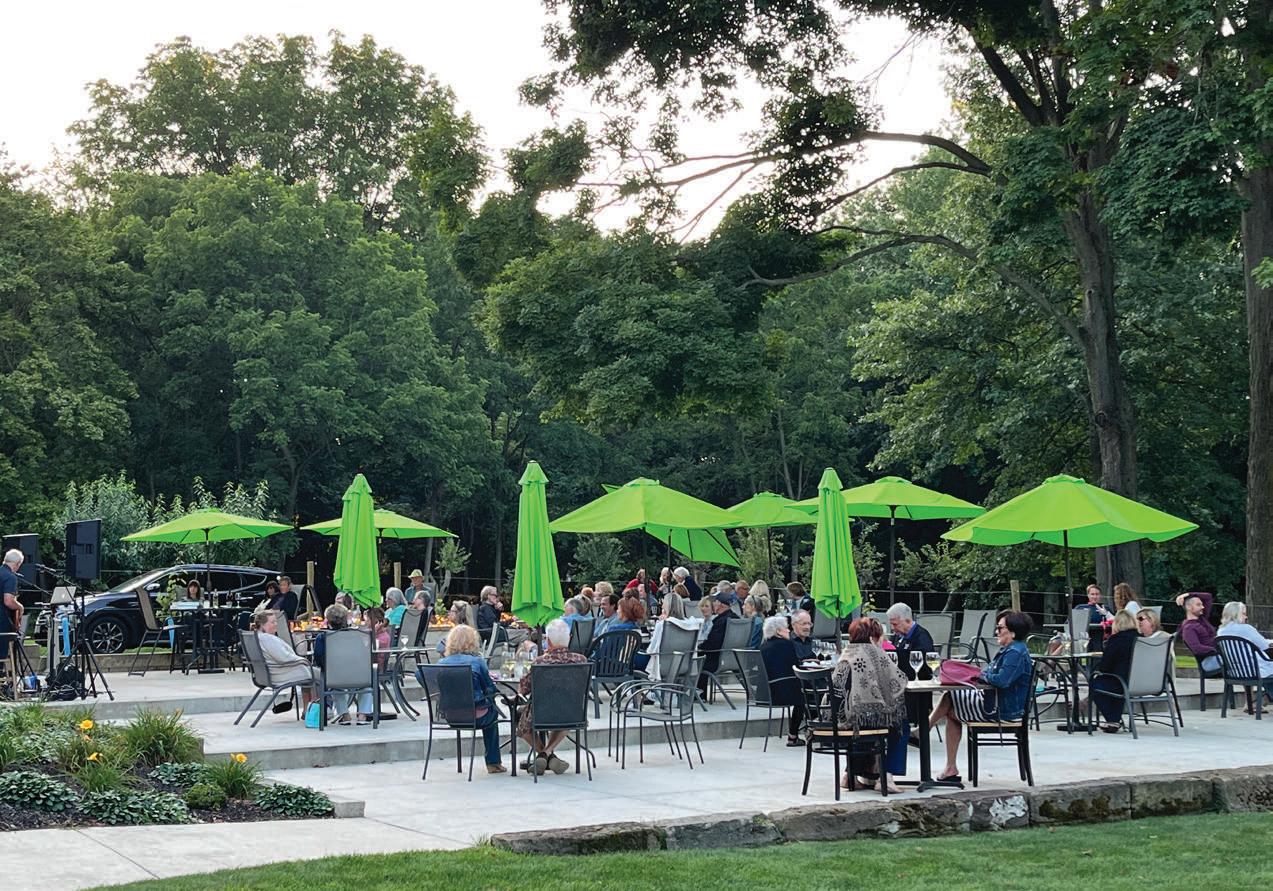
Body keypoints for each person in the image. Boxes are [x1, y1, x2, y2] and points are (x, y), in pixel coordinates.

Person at [927, 611, 1033, 782]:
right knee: (951, 701)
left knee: (950, 700)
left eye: (1000, 628)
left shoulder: (1015, 653)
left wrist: (981, 675)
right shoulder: (1011, 650)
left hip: (1002, 710)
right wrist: (982, 674)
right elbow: (992, 673)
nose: (996, 632)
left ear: (1013, 632)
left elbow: (1002, 680)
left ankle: (926, 732)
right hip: (997, 703)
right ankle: (949, 765)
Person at [831, 618, 909, 793]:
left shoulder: (847, 652)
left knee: (863, 718)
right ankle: (886, 777)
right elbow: (898, 680)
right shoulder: (874, 652)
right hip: (859, 719)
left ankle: (849, 775)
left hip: (839, 716)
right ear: (874, 636)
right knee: (899, 723)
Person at [517, 618, 588, 775]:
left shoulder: (540, 662)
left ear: (548, 641)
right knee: (566, 710)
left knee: (522, 720)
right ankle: (549, 754)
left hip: (541, 714)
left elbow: (524, 689)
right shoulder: (581, 660)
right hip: (573, 713)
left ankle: (543, 754)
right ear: (569, 638)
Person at [437, 624, 507, 774]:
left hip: (450, 716)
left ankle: (492, 763)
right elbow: (490, 689)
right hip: (476, 716)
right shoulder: (477, 662)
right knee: (492, 713)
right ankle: (493, 762)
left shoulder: (441, 663)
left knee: (488, 709)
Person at [251, 610, 317, 707]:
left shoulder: (256, 637)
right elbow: (284, 658)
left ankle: (307, 709)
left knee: (309, 673)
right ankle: (315, 709)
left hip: (267, 675)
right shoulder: (268, 639)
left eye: (276, 621)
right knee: (317, 675)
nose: (276, 624)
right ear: (262, 625)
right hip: (278, 675)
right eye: (272, 622)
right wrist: (302, 660)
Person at [1088, 610, 1140, 732]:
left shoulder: (1116, 640)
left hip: (1121, 682)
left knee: (1095, 684)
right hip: (1140, 682)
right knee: (1113, 686)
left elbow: (1105, 667)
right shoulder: (1142, 639)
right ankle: (1113, 721)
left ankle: (1113, 720)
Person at [759, 615, 806, 746]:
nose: (789, 630)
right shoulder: (787, 645)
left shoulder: (762, 647)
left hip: (764, 693)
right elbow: (795, 666)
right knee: (804, 696)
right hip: (780, 692)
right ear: (778, 631)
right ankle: (793, 736)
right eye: (786, 628)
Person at [636, 586, 702, 677]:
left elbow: (651, 650)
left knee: (633, 658)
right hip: (684, 667)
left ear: (665, 607)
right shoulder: (691, 624)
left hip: (661, 668)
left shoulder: (663, 624)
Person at [1216, 601, 1273, 703]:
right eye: (1243, 613)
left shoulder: (1221, 631)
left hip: (1235, 671)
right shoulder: (1246, 628)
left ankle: (1252, 703)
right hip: (1255, 670)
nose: (1246, 617)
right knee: (1269, 669)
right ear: (1235, 614)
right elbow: (1264, 645)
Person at [887, 603, 937, 681]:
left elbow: (921, 665)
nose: (892, 628)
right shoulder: (897, 636)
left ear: (907, 620)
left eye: (895, 624)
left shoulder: (922, 637)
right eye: (891, 624)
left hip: (919, 683)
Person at [697, 592, 734, 694]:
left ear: (720, 604)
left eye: (715, 602)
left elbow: (712, 644)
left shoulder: (720, 621)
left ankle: (697, 693)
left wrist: (699, 647)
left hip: (716, 660)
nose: (713, 604)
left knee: (693, 658)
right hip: (734, 658)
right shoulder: (735, 618)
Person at [1176, 592, 1220, 672]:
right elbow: (1197, 649)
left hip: (1217, 657)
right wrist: (1216, 650)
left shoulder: (1202, 618)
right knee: (1237, 657)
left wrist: (1188, 594)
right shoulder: (1188, 628)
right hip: (1208, 661)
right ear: (1189, 607)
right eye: (1198, 605)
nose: (1202, 607)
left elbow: (1208, 596)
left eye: (1202, 604)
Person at [0, 549, 25, 663]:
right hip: (2, 620)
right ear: (17, 564)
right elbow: (8, 601)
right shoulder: (10, 577)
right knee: (2, 653)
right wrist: (20, 607)